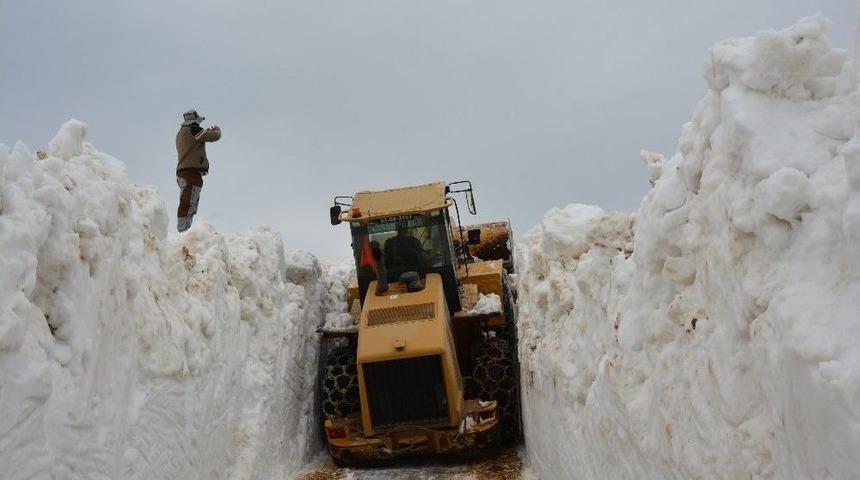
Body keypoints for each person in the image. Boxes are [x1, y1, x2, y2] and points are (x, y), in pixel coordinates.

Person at [175, 109, 221, 232]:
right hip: (191, 173)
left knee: (187, 201)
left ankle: (184, 232)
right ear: (195, 120)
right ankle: (183, 232)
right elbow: (213, 137)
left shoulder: (180, 132)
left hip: (182, 172)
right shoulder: (193, 129)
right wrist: (216, 130)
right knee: (189, 203)